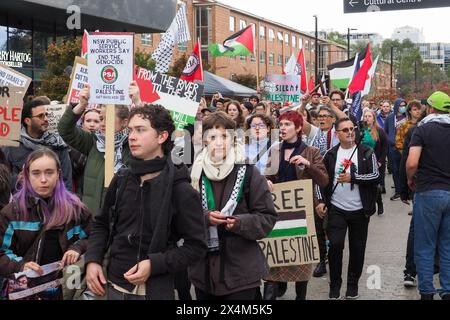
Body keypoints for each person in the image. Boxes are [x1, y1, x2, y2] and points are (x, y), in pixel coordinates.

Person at [85, 105, 207, 300]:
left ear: (162, 137)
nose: (132, 137)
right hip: (113, 286)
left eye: (140, 130)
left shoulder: (181, 189)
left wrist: (155, 264)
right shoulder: (122, 178)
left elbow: (196, 246)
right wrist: (93, 260)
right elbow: (101, 224)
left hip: (154, 291)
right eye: (130, 130)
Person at [189, 111, 277, 300]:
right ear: (204, 140)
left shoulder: (249, 172)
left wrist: (238, 223)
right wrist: (205, 217)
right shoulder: (194, 173)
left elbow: (267, 218)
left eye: (224, 136)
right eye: (212, 137)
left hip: (241, 275)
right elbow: (183, 216)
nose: (219, 143)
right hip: (203, 274)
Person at [0, 148, 92, 300]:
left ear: (58, 174)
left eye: (49, 172)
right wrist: (21, 265)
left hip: (67, 290)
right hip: (25, 291)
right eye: (36, 173)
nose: (43, 179)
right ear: (27, 176)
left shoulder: (76, 208)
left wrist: (78, 248)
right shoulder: (12, 212)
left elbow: (96, 238)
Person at [262, 111, 328, 300]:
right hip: (277, 210)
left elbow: (324, 180)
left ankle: (300, 296)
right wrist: (266, 180)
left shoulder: (311, 152)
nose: (282, 128)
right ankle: (270, 295)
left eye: (288, 124)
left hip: (301, 212)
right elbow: (266, 175)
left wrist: (308, 164)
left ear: (298, 128)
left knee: (301, 257)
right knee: (274, 254)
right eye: (281, 124)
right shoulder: (275, 151)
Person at [316, 117, 379, 300]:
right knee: (335, 245)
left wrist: (354, 178)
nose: (350, 132)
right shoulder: (330, 154)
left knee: (358, 249)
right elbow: (320, 181)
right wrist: (320, 201)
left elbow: (375, 176)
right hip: (337, 209)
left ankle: (352, 286)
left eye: (352, 128)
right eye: (345, 130)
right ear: (337, 133)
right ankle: (335, 285)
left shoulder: (367, 152)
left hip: (360, 210)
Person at [58, 84, 135, 215]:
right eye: (101, 118)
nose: (103, 123)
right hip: (91, 220)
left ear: (125, 122)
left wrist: (138, 102)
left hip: (120, 221)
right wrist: (82, 105)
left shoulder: (134, 146)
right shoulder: (93, 142)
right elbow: (65, 130)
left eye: (108, 118)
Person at [406, 91, 450, 300]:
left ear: (431, 108)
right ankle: (447, 289)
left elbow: (413, 162)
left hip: (428, 192)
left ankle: (426, 291)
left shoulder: (422, 130)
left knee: (425, 244)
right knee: (447, 244)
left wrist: (409, 179)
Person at [2, 97, 73, 191]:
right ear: (27, 121)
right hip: (22, 202)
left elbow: (66, 181)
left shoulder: (57, 144)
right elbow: (4, 178)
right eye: (40, 116)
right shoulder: (12, 145)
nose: (46, 119)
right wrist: (18, 179)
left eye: (46, 115)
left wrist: (63, 203)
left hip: (52, 202)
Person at [362, 109, 388, 215]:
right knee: (365, 184)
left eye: (369, 116)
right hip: (363, 162)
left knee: (375, 185)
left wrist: (381, 161)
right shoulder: (361, 130)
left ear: (373, 118)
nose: (367, 118)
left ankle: (379, 202)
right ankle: (368, 205)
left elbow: (385, 148)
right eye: (365, 116)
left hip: (376, 162)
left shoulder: (379, 130)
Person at [384, 98, 407, 201]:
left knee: (405, 170)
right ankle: (398, 191)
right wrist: (391, 141)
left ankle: (406, 190)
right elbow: (386, 131)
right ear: (397, 106)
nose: (403, 107)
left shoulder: (408, 117)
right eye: (401, 105)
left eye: (404, 105)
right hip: (393, 148)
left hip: (405, 148)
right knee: (395, 170)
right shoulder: (390, 118)